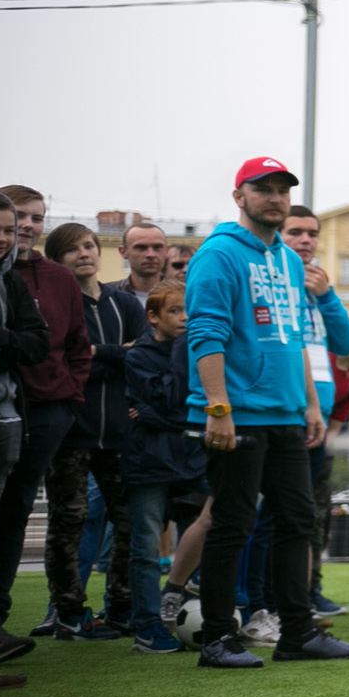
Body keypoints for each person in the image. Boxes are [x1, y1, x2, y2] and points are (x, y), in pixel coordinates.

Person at [182, 157, 349, 668]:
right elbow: (206, 334)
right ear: (239, 196)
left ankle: (297, 633)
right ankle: (218, 637)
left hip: (287, 415)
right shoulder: (218, 254)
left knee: (298, 522)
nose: (276, 198)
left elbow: (296, 340)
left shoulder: (287, 260)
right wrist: (219, 408)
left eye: (283, 189)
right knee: (233, 524)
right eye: (263, 189)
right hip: (237, 415)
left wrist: (309, 403)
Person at [0, 185, 93, 638]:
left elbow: (75, 344)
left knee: (11, 515)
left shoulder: (56, 278)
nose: (27, 227)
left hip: (47, 412)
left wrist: (69, 396)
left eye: (35, 218)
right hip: (2, 407)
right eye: (20, 219)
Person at [38, 223, 141, 638]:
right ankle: (67, 612)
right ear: (56, 259)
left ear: (101, 252)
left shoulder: (126, 305)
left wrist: (100, 353)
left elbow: (142, 358)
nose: (83, 254)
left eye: (88, 246)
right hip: (71, 433)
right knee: (69, 522)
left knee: (130, 523)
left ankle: (120, 606)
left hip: (120, 434)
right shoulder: (56, 304)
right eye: (71, 249)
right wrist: (111, 356)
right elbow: (62, 363)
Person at [121, 280, 209, 653]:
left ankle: (190, 611)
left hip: (189, 459)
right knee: (144, 546)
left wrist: (163, 415)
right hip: (148, 462)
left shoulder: (196, 350)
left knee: (203, 535)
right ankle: (146, 626)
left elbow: (174, 410)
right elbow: (173, 402)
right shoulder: (139, 356)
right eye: (175, 311)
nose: (185, 318)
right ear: (153, 317)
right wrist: (176, 416)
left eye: (189, 311)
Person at [0, 192, 50, 671]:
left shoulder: (10, 281)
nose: (1, 238)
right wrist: (9, 344)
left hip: (7, 420)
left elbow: (37, 344)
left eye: (7, 230)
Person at [279, 205, 349, 619]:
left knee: (304, 518)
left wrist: (326, 295)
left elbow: (346, 343)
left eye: (312, 234)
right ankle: (262, 601)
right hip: (281, 415)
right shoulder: (274, 282)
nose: (305, 241)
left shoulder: (319, 286)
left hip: (317, 423)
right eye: (295, 232)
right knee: (271, 518)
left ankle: (302, 597)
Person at [119, 221, 171, 300]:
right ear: (123, 252)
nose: (150, 255)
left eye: (157, 247)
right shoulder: (108, 296)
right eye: (141, 248)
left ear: (167, 251)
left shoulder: (184, 296)